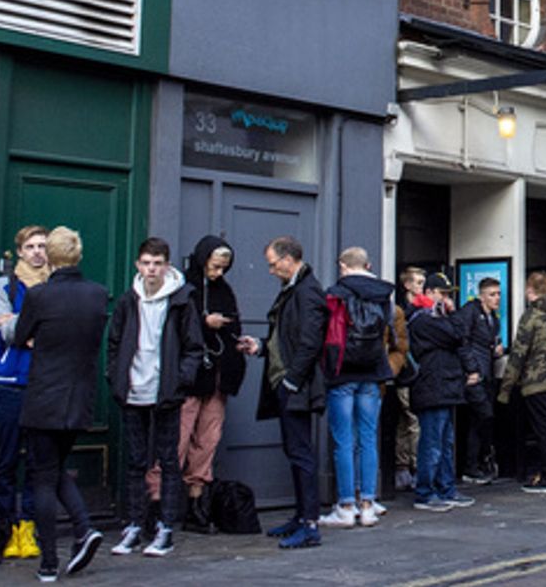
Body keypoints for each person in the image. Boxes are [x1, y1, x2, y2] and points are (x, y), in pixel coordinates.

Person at [16, 226, 108, 582]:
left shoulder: (40, 296)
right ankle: (85, 529)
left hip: (44, 397)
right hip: (79, 397)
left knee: (41, 476)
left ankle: (48, 563)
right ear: (78, 255)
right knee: (55, 469)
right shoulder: (98, 295)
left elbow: (22, 335)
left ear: (51, 257)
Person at [107, 237, 204, 558]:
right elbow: (115, 342)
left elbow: (193, 346)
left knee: (168, 461)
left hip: (165, 392)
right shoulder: (127, 301)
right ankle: (135, 524)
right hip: (133, 390)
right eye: (146, 263)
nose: (151, 270)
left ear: (167, 265)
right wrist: (116, 377)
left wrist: (180, 381)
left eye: (157, 264)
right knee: (135, 461)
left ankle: (165, 527)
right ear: (138, 265)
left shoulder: (181, 300)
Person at [237, 237, 327, 549]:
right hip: (287, 383)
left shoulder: (308, 291)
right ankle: (301, 518)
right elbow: (284, 338)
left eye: (274, 264)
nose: (272, 270)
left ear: (290, 259)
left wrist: (291, 381)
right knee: (294, 451)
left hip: (294, 387)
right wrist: (260, 346)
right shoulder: (293, 289)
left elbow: (310, 341)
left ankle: (310, 524)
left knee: (301, 453)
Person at [148, 235, 241, 536]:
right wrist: (205, 323)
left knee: (207, 440)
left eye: (223, 268)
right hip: (190, 379)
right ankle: (156, 504)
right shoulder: (184, 290)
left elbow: (234, 325)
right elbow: (176, 331)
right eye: (214, 267)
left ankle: (196, 503)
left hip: (217, 376)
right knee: (177, 439)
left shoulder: (224, 290)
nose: (218, 274)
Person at [319, 247, 394, 529]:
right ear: (369, 264)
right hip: (373, 372)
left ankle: (346, 506)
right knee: (368, 438)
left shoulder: (336, 292)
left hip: (342, 372)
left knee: (343, 441)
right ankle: (368, 505)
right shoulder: (383, 294)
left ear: (342, 265)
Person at [0, 225, 49, 560]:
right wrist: (29, 329)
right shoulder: (4, 286)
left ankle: (28, 525)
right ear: (20, 251)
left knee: (38, 462)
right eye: (31, 246)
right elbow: (0, 331)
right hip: (10, 383)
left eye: (42, 246)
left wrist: (19, 324)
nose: (38, 251)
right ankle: (7, 527)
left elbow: (57, 333)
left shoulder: (55, 287)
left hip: (44, 384)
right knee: (6, 458)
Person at [406, 273, 477, 512]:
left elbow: (459, 338)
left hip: (445, 385)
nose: (446, 299)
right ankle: (425, 493)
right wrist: (453, 314)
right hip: (432, 385)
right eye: (442, 294)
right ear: (428, 293)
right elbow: (458, 334)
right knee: (432, 443)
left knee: (445, 442)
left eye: (448, 294)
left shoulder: (438, 318)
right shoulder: (422, 319)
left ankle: (446, 488)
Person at [498, 271, 546, 494]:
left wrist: (505, 389)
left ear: (530, 290)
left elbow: (518, 354)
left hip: (535, 380)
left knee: (543, 429)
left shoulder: (531, 316)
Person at [454, 277, 503, 486]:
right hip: (474, 376)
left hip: (487, 374)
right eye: (492, 294)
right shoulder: (470, 312)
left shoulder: (494, 319)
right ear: (481, 295)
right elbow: (462, 342)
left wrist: (495, 351)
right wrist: (471, 369)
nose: (497, 298)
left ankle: (475, 464)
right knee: (483, 415)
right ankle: (473, 463)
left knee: (479, 420)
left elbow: (486, 346)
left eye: (499, 294)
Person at [393, 266, 430, 490]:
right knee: (410, 421)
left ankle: (404, 466)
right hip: (407, 372)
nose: (421, 288)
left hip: (415, 371)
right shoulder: (403, 312)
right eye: (417, 283)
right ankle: (411, 466)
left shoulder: (423, 310)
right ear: (407, 285)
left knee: (407, 421)